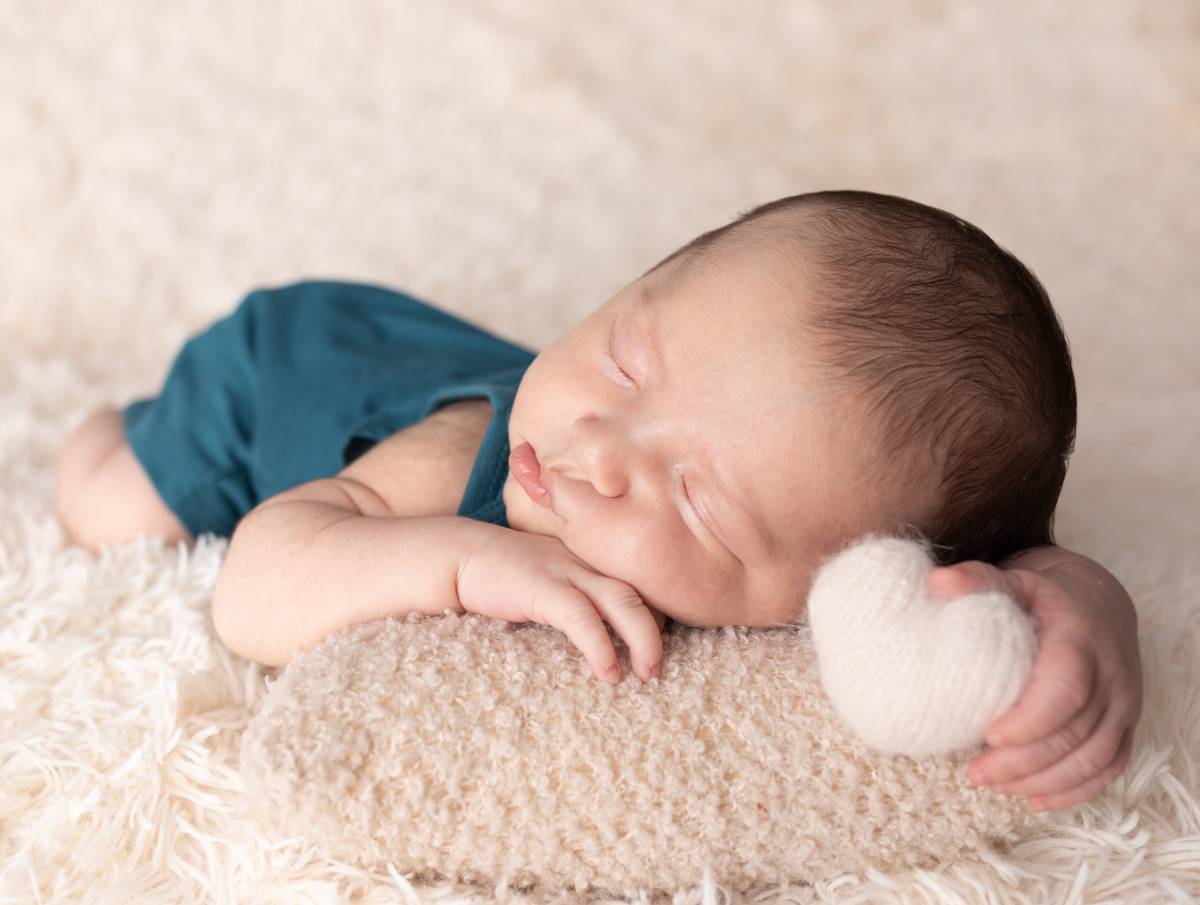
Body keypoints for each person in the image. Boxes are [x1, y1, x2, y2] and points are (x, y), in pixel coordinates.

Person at [53, 190, 1142, 814]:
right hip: (279, 370)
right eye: (625, 358)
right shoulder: (463, 463)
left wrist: (1092, 612)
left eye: (700, 498)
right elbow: (255, 580)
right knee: (112, 511)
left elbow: (1003, 566)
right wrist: (464, 560)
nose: (597, 446)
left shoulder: (837, 528)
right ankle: (94, 425)